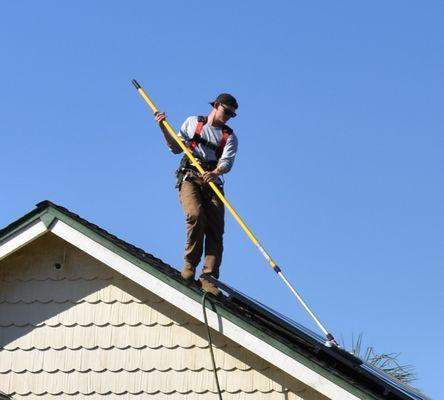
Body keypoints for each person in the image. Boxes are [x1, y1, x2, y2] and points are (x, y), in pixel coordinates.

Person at [154, 93, 239, 296]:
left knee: (216, 230)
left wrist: (215, 173)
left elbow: (226, 163)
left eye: (232, 115)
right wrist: (163, 128)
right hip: (190, 176)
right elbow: (175, 147)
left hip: (213, 183)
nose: (228, 116)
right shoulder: (193, 123)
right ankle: (189, 265)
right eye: (226, 111)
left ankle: (209, 277)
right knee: (196, 215)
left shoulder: (229, 137)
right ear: (217, 105)